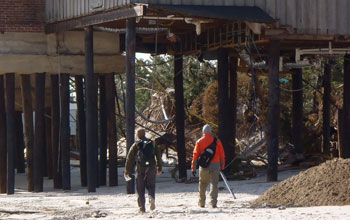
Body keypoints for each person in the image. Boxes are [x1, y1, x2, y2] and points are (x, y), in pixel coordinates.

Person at [125, 128, 162, 213]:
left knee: (140, 189)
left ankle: (142, 208)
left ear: (137, 135)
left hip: (140, 169)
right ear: (144, 134)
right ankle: (151, 197)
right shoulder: (152, 143)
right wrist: (159, 168)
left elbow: (129, 159)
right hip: (151, 168)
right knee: (151, 186)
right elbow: (158, 156)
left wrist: (127, 171)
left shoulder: (136, 144)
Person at [191, 124, 225, 208]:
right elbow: (222, 155)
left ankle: (201, 203)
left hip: (203, 166)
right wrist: (222, 166)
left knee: (202, 184)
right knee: (214, 184)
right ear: (210, 132)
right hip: (216, 165)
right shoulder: (217, 141)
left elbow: (195, 156)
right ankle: (213, 203)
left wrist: (193, 168)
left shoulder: (199, 142)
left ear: (203, 132)